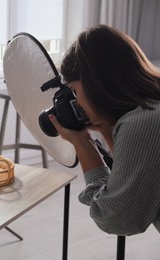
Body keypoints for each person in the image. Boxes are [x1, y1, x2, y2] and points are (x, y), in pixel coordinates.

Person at [49, 24, 160, 236]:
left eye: (74, 90)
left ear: (94, 83)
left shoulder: (143, 122)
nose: (77, 102)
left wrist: (83, 144)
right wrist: (108, 128)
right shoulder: (150, 109)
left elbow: (116, 219)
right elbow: (130, 181)